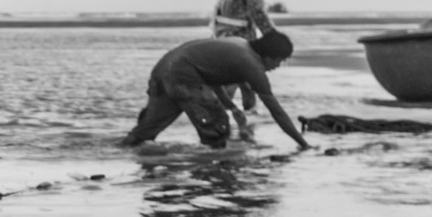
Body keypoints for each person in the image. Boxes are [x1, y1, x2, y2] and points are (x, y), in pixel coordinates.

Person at [123, 31, 309, 151]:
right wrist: (304, 144)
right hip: (181, 75)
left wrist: (230, 106)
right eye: (279, 61)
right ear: (269, 56)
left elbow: (211, 77)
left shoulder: (240, 44)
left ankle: (121, 153)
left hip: (164, 69)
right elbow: (276, 111)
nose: (278, 66)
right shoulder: (252, 66)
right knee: (218, 129)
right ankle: (213, 173)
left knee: (143, 133)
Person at [211, 0, 275, 140]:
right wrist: (272, 36)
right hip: (241, 41)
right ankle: (223, 125)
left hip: (222, 37)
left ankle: (245, 126)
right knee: (238, 82)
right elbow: (257, 11)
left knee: (246, 85)